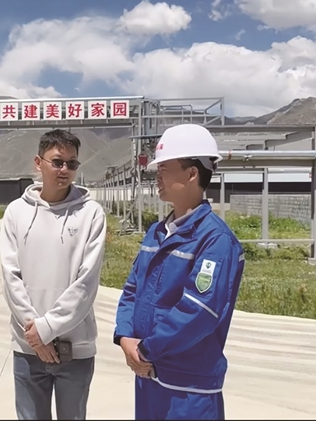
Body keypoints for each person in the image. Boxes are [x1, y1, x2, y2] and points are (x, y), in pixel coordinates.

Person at [113, 123, 245, 420]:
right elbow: (132, 289)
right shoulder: (156, 233)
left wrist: (146, 350)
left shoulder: (215, 240)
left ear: (191, 173)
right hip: (148, 376)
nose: (157, 177)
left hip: (188, 388)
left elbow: (199, 311)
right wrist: (125, 337)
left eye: (164, 169)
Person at [0, 129, 107, 420]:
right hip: (28, 348)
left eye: (72, 164)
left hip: (76, 350)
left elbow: (86, 282)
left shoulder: (91, 214)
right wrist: (37, 336)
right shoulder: (16, 212)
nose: (64, 170)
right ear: (39, 162)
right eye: (57, 162)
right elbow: (11, 278)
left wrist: (47, 328)